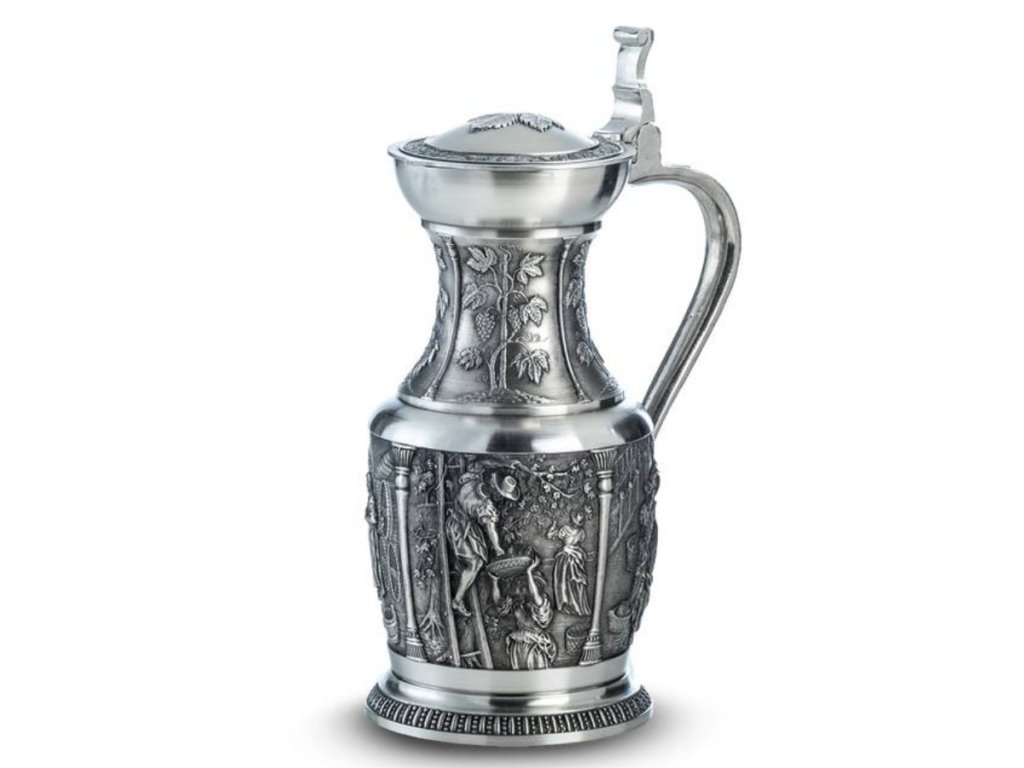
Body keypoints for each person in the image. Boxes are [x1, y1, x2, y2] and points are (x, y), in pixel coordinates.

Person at [446, 470, 518, 617]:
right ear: (497, 491)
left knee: (478, 562)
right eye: (501, 496)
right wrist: (497, 547)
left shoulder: (473, 481)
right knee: (474, 563)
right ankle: (457, 601)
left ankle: (459, 598)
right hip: (458, 529)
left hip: (457, 523)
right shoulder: (487, 505)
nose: (500, 499)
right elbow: (491, 529)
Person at [505, 555, 556, 669]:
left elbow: (534, 594)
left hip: (535, 645)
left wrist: (529, 572)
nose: (522, 589)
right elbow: (499, 603)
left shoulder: (541, 604)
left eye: (525, 586)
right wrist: (494, 581)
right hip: (518, 645)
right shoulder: (519, 605)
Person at [548, 510, 590, 616]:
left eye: (577, 523)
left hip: (574, 558)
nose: (575, 525)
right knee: (563, 580)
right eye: (574, 522)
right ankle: (566, 604)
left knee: (574, 582)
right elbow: (551, 536)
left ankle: (575, 606)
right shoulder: (566, 529)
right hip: (565, 557)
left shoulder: (581, 532)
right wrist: (553, 526)